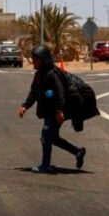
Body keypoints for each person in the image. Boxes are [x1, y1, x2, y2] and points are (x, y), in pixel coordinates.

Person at [18, 45, 85, 174]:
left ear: (42, 60)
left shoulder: (52, 75)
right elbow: (34, 92)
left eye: (35, 59)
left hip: (55, 112)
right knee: (53, 138)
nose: (33, 61)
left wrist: (59, 111)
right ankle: (78, 152)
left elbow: (60, 93)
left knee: (45, 137)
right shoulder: (38, 75)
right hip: (48, 113)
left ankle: (45, 165)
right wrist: (25, 105)